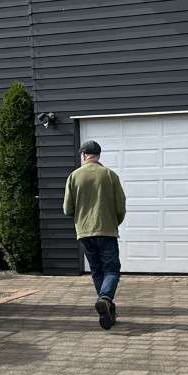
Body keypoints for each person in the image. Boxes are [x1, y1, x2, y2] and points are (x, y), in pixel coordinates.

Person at [63, 140, 126, 330]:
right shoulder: (109, 175)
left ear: (83, 155)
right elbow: (120, 206)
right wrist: (114, 222)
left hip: (84, 232)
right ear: (98, 155)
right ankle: (105, 298)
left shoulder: (74, 177)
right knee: (112, 270)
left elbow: (67, 209)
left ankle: (107, 308)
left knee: (97, 270)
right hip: (107, 230)